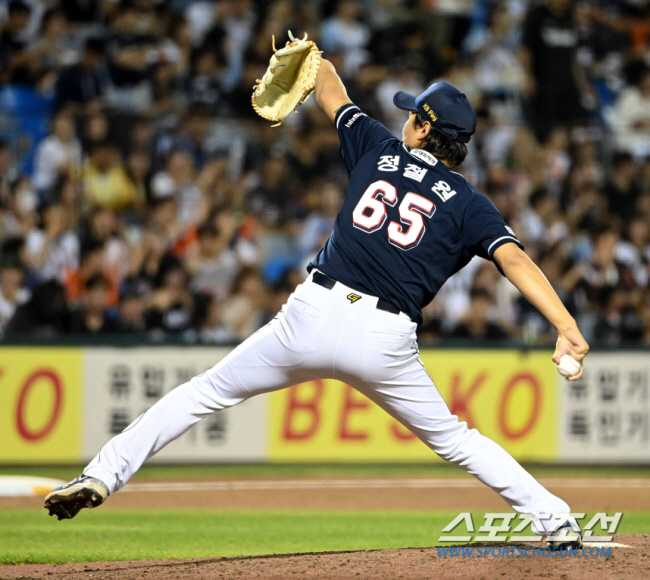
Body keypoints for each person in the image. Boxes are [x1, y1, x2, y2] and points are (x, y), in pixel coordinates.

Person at [45, 58, 589, 548]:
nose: (403, 120)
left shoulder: (377, 147)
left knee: (203, 392)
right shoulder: (472, 204)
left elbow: (330, 88)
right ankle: (554, 518)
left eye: (411, 115)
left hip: (311, 313)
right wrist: (566, 326)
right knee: (457, 441)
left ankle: (101, 474)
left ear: (423, 127)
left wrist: (316, 58)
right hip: (384, 338)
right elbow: (514, 260)